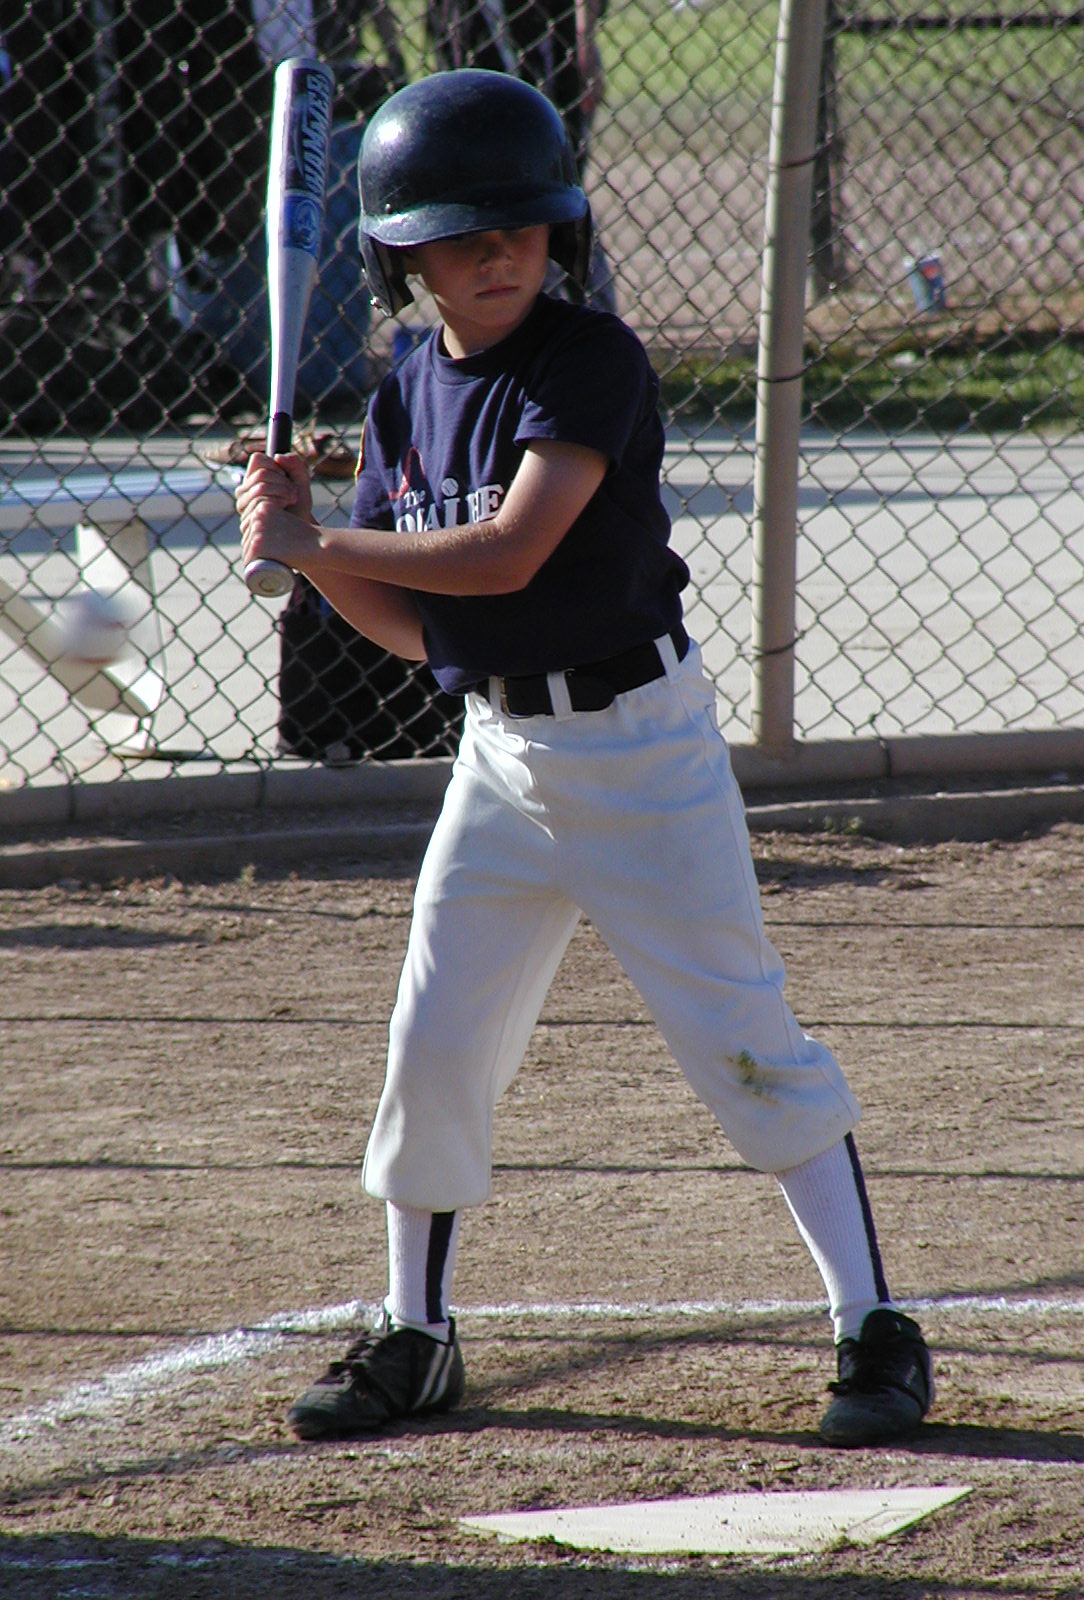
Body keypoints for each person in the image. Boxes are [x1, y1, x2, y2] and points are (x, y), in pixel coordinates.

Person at [236, 68, 933, 1450]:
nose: (498, 253)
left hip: (640, 749)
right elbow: (419, 624)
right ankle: (416, 1332)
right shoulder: (404, 394)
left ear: (561, 233)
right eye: (461, 235)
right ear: (405, 257)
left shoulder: (589, 360)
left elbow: (508, 551)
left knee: (742, 1040)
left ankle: (874, 1325)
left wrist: (317, 541)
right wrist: (302, 554)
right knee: (434, 1041)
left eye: (521, 227)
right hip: (500, 755)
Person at [425, 0, 615, 312]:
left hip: (539, 29)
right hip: (470, 25)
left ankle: (585, 310)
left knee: (557, 188)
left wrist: (584, 32)